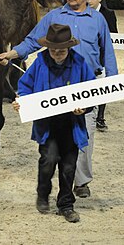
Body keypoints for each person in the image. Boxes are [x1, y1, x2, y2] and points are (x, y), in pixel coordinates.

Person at [0, 0, 118, 198]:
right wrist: (12, 54)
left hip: (87, 83)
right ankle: (58, 179)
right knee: (56, 133)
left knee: (86, 135)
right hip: (57, 83)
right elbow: (33, 40)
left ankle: (81, 181)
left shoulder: (98, 20)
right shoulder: (54, 17)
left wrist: (111, 82)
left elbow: (107, 52)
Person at [12, 24, 95, 223]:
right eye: (53, 51)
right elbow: (25, 86)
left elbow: (92, 92)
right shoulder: (39, 63)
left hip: (72, 126)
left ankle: (66, 205)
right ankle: (43, 193)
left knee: (68, 167)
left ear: (70, 48)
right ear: (47, 48)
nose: (57, 54)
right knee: (48, 161)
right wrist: (22, 100)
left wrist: (85, 107)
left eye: (62, 51)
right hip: (47, 126)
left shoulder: (81, 63)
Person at [88, 0, 118, 132]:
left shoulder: (109, 14)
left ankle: (100, 117)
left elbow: (113, 35)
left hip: (102, 57)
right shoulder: (82, 13)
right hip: (87, 56)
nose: (89, 1)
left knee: (102, 87)